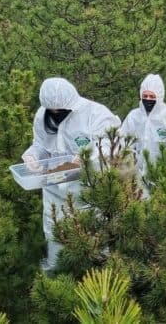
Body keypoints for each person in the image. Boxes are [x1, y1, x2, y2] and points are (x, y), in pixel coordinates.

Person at [22, 77, 120, 271]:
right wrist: (32, 157)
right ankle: (57, 282)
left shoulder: (96, 114)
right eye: (53, 111)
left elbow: (112, 145)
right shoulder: (42, 114)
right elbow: (40, 145)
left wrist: (85, 157)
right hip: (54, 191)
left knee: (94, 241)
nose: (56, 114)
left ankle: (99, 282)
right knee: (55, 235)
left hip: (89, 191)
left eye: (61, 111)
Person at [119, 74, 166, 197]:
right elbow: (123, 143)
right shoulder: (134, 117)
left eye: (152, 96)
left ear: (159, 96)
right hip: (138, 180)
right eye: (145, 96)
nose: (148, 99)